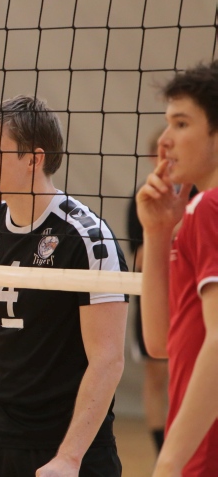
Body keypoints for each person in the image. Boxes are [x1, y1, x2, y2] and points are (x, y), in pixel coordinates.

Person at [0, 95, 128, 477]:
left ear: (33, 159)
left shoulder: (85, 237)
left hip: (65, 446)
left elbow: (108, 359)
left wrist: (69, 457)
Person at [136, 60, 218, 477]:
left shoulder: (209, 207)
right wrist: (157, 233)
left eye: (181, 124)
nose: (165, 140)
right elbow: (161, 342)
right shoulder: (194, 213)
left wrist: (169, 462)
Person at [127, 128, 173, 454]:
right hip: (154, 298)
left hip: (194, 297)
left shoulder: (201, 194)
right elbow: (140, 258)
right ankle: (162, 451)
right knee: (157, 374)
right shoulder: (142, 197)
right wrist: (166, 230)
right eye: (161, 154)